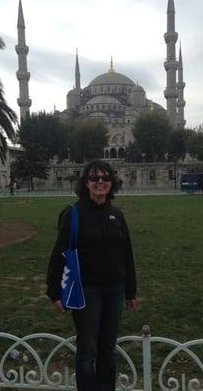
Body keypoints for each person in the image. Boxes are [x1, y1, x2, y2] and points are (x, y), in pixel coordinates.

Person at [46, 160, 137, 391]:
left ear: (111, 183)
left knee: (108, 348)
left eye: (105, 178)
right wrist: (54, 291)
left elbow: (126, 253)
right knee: (88, 351)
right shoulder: (74, 213)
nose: (100, 182)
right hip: (88, 291)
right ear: (86, 182)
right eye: (95, 178)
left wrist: (130, 291)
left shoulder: (116, 215)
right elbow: (59, 253)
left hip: (115, 290)